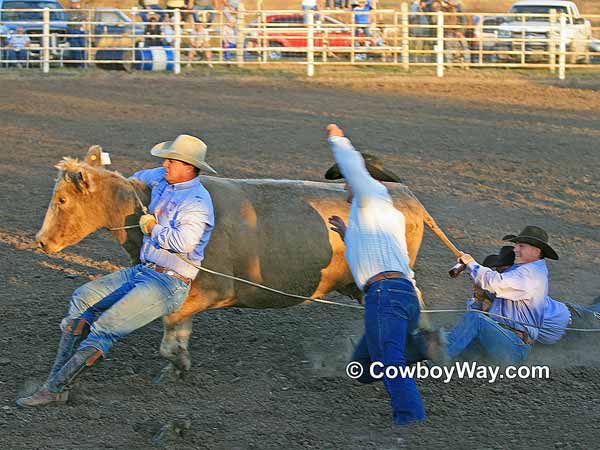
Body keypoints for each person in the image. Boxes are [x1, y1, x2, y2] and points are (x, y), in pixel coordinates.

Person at [16, 135, 217, 407]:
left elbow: (185, 242)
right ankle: (58, 379)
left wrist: (152, 229)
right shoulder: (162, 179)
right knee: (83, 297)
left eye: (172, 160)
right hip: (144, 272)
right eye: (166, 159)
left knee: (105, 326)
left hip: (169, 283)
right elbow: (130, 180)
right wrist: (94, 176)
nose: (165, 164)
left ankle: (54, 389)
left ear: (189, 167)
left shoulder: (197, 201)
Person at [325, 124, 426, 425]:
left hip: (385, 296)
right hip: (400, 294)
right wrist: (348, 235)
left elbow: (356, 170)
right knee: (362, 367)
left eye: (346, 181)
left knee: (389, 361)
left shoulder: (371, 196)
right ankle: (423, 347)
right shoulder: (382, 214)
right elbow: (381, 253)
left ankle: (411, 419)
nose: (344, 186)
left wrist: (338, 140)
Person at [447, 226, 558, 364]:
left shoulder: (531, 275)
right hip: (500, 338)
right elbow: (495, 293)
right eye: (516, 245)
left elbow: (494, 283)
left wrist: (471, 264)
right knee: (446, 338)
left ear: (536, 251)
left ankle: (440, 358)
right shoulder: (524, 272)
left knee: (476, 320)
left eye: (521, 246)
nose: (515, 249)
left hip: (513, 345)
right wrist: (480, 296)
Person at [66, 0, 86, 67]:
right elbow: (69, 19)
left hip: (80, 30)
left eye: (76, 3)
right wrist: (77, 19)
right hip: (72, 30)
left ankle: (83, 63)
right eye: (73, 3)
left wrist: (76, 18)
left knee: (83, 46)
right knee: (76, 47)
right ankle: (78, 63)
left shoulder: (80, 11)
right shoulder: (68, 12)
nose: (75, 4)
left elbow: (84, 17)